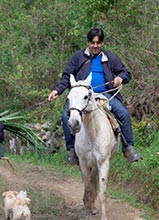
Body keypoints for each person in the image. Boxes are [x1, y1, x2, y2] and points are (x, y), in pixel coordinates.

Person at [48, 28, 141, 166]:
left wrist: (120, 78)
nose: (95, 46)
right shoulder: (78, 57)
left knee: (124, 113)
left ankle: (128, 148)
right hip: (80, 96)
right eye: (93, 43)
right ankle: (72, 150)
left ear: (102, 43)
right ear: (88, 42)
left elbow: (125, 73)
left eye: (98, 43)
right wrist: (57, 90)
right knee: (65, 116)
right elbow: (66, 76)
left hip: (104, 95)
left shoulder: (110, 58)